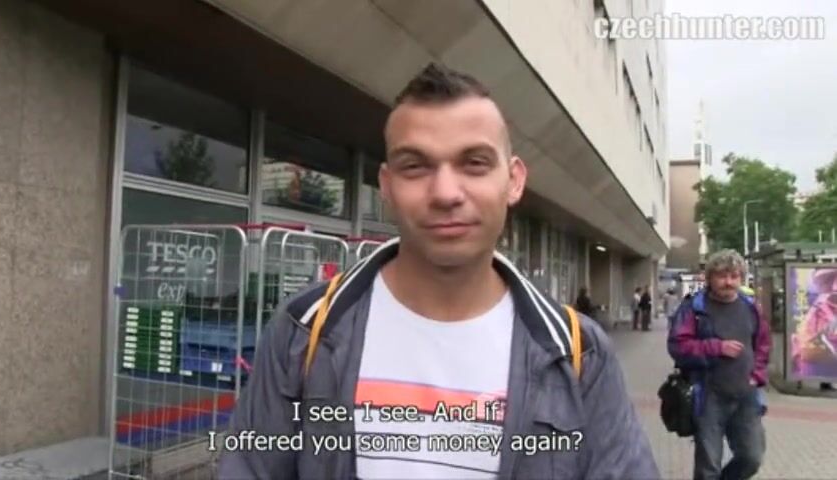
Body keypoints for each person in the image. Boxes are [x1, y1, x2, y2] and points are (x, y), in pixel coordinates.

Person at [218, 63, 658, 479]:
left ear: (514, 181)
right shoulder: (302, 331)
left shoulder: (580, 354)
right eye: (415, 166)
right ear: (387, 186)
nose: (446, 193)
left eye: (474, 163)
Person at [667, 249, 771, 480]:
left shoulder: (750, 307)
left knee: (751, 457)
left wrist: (757, 375)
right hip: (708, 397)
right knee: (708, 467)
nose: (728, 282)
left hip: (746, 396)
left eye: (734, 276)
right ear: (709, 278)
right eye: (722, 276)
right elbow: (677, 345)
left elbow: (763, 344)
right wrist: (716, 347)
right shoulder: (695, 308)